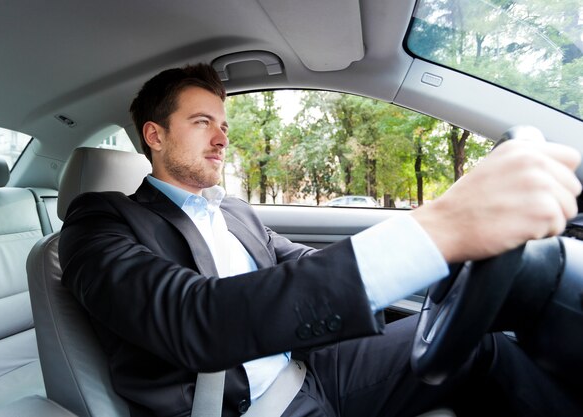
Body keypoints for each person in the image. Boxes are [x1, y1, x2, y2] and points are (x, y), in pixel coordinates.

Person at [59, 63, 583, 417]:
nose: (221, 138)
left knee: (481, 345)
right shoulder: (99, 225)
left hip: (313, 366)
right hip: (247, 406)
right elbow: (198, 319)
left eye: (223, 123)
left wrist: (450, 254)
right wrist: (440, 228)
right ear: (155, 135)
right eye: (201, 122)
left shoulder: (236, 212)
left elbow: (310, 264)